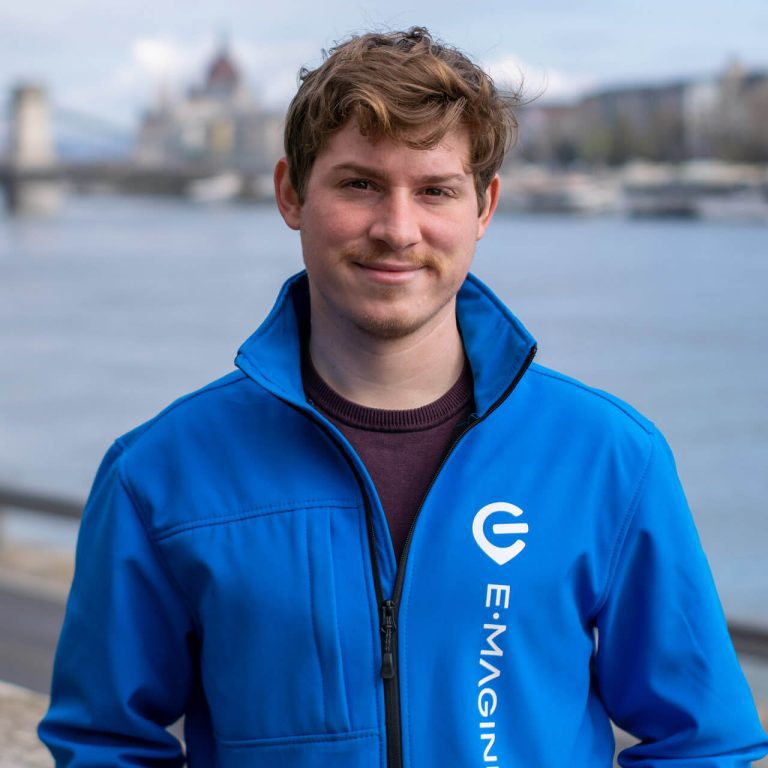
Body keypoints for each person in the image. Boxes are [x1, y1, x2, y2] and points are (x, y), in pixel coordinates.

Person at [40, 27, 766, 767]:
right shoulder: (158, 475)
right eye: (359, 184)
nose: (397, 229)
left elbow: (704, 741)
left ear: (483, 208)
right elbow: (104, 743)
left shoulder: (609, 458)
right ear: (292, 192)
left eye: (435, 191)